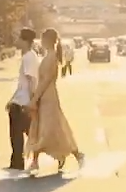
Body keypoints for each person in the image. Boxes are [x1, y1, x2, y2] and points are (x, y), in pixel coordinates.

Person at [26, 28, 86, 174]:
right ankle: (36, 161)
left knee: (48, 129)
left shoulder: (52, 58)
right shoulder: (49, 56)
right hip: (45, 96)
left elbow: (46, 80)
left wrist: (35, 98)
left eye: (42, 39)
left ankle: (76, 154)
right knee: (43, 128)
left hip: (48, 97)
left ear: (47, 41)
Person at [4, 28, 41, 171]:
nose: (17, 40)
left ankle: (19, 162)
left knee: (23, 133)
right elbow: (23, 84)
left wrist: (32, 102)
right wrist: (12, 99)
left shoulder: (29, 57)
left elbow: (32, 81)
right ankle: (17, 162)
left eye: (19, 38)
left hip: (24, 104)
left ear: (25, 41)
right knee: (20, 133)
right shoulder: (28, 56)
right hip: (20, 101)